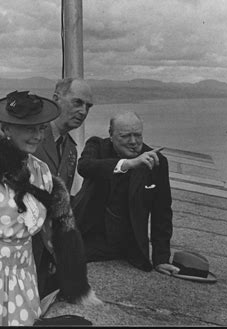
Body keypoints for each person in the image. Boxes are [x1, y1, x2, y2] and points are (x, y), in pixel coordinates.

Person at [0, 91, 99, 326]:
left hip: (23, 268)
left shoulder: (40, 172)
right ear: (7, 129)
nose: (38, 136)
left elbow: (49, 225)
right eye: (30, 128)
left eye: (41, 128)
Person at [72, 111, 179, 275]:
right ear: (111, 135)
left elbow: (162, 213)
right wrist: (128, 164)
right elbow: (85, 167)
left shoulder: (157, 161)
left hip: (127, 246)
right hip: (87, 236)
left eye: (138, 135)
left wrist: (161, 259)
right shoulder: (97, 146)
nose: (134, 142)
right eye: (125, 136)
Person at [32, 78, 94, 298]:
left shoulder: (70, 150)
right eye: (77, 102)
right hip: (19, 243)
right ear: (56, 99)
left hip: (46, 249)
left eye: (88, 106)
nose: (83, 111)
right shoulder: (31, 137)